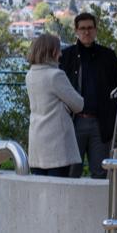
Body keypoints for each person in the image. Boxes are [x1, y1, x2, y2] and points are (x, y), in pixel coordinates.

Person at [59, 12, 117, 179]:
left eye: (90, 28)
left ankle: (100, 206)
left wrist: (113, 123)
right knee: (71, 173)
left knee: (101, 173)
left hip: (100, 125)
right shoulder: (66, 56)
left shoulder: (108, 56)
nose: (86, 32)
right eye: (82, 28)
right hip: (74, 123)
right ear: (76, 31)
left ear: (95, 30)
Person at [26, 34, 84, 177]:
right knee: (58, 193)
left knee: (40, 192)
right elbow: (78, 104)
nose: (61, 53)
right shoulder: (56, 75)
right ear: (52, 51)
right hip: (57, 146)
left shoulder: (30, 75)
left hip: (37, 142)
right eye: (58, 50)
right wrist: (65, 105)